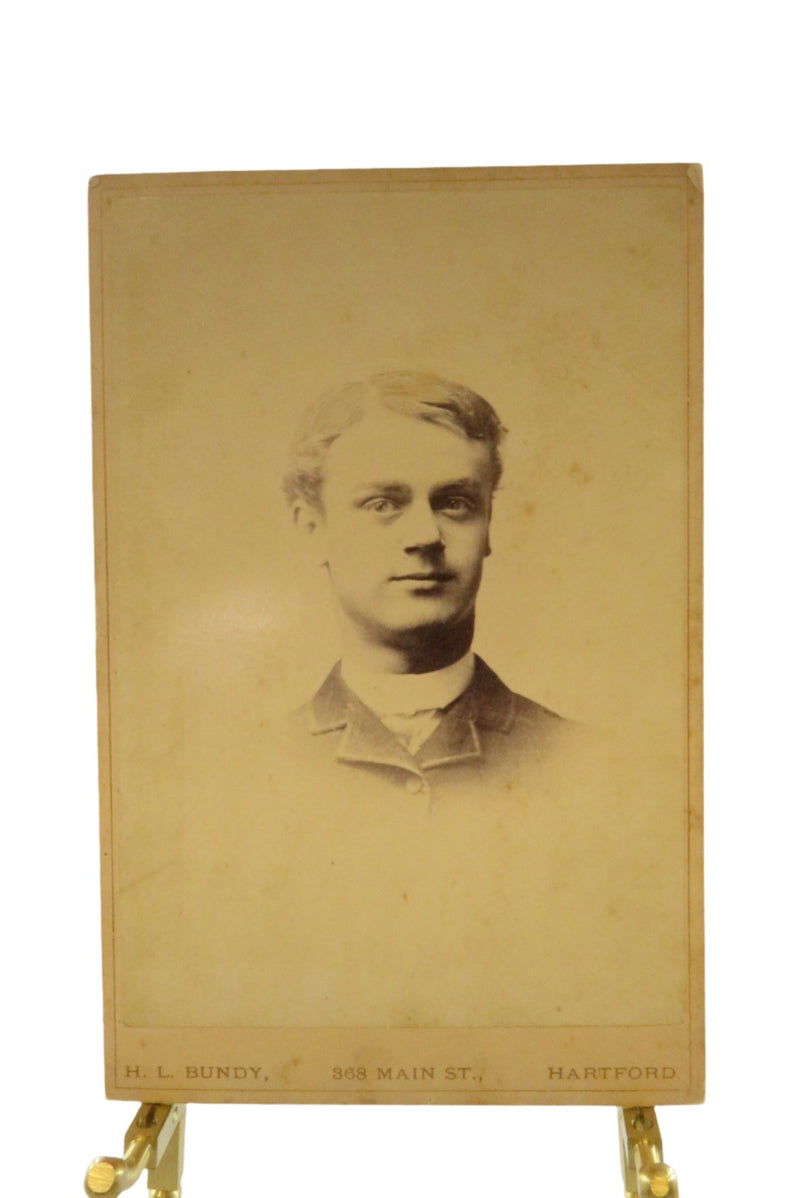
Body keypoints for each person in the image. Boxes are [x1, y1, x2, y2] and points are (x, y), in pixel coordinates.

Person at [282, 370, 568, 802]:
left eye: (455, 504)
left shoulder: (586, 763)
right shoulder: (244, 772)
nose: (426, 536)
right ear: (312, 528)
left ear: (487, 525)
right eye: (383, 504)